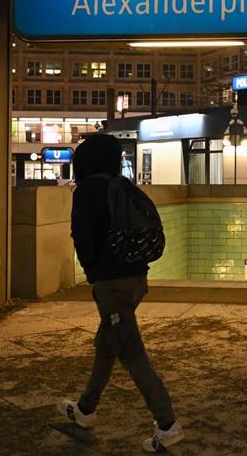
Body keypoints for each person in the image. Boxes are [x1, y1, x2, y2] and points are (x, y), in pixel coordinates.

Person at [57, 133, 183, 452]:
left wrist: (93, 274)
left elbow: (81, 235)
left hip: (111, 284)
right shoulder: (122, 185)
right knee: (106, 345)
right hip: (136, 278)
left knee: (132, 354)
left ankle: (167, 425)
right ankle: (86, 410)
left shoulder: (88, 190)